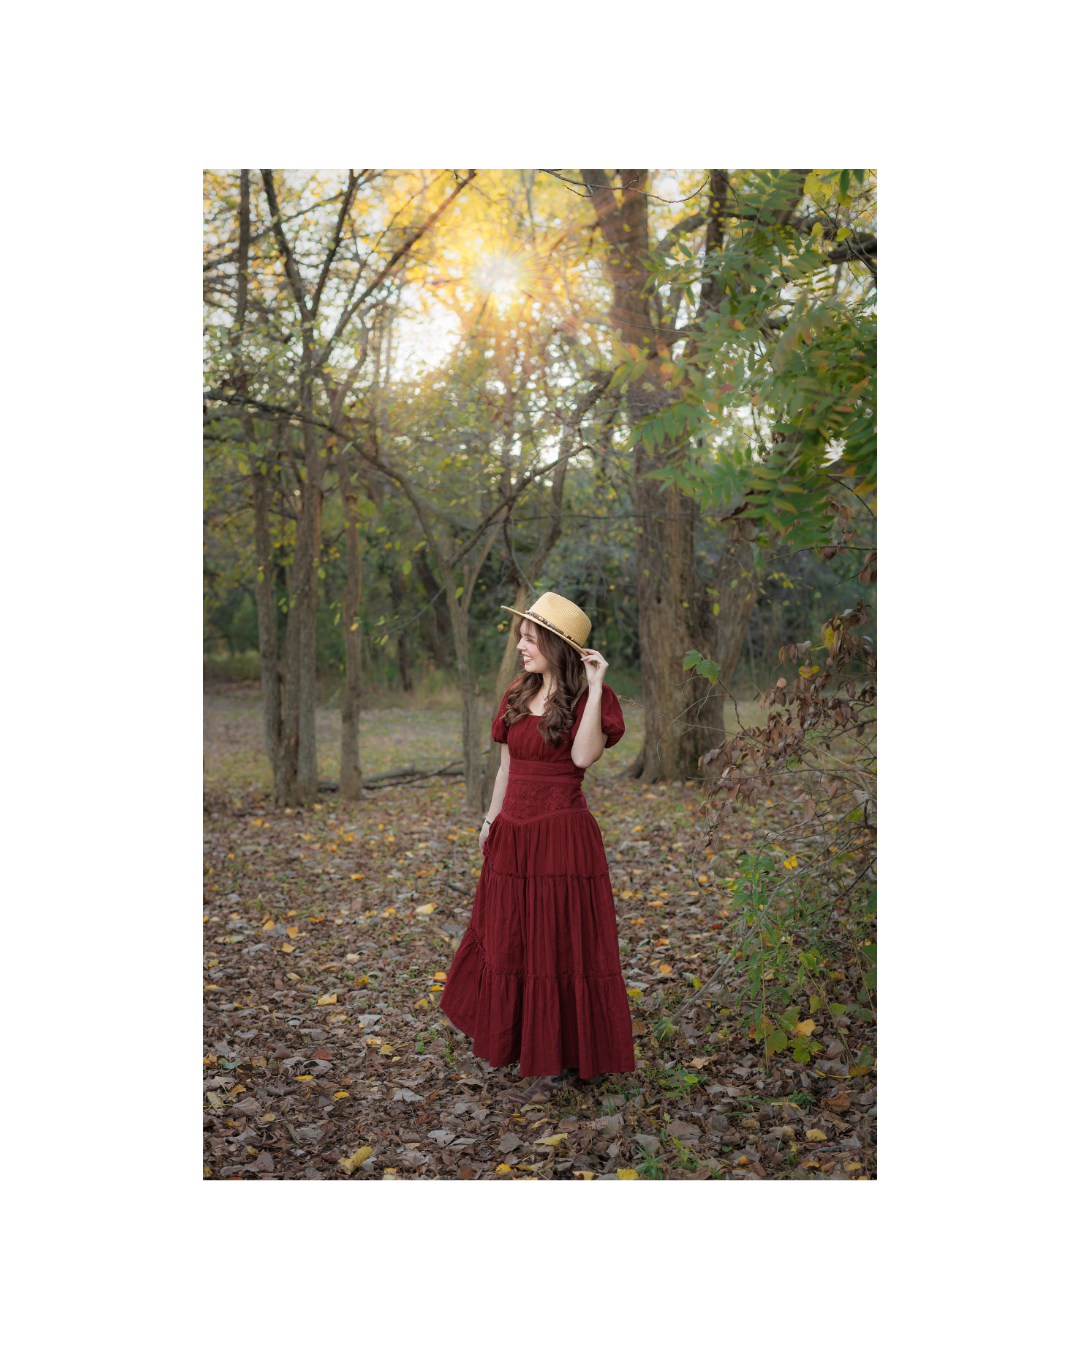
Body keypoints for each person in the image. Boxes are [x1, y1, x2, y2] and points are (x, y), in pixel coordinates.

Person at [440, 592, 635, 1105]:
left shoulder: (592, 697)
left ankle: (564, 1061)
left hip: (561, 838)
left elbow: (583, 755)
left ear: (556, 644)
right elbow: (505, 767)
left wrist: (593, 688)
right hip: (513, 835)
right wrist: (490, 818)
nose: (522, 646)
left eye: (530, 638)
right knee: (514, 939)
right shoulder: (515, 693)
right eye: (521, 636)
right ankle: (523, 1042)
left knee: (559, 941)